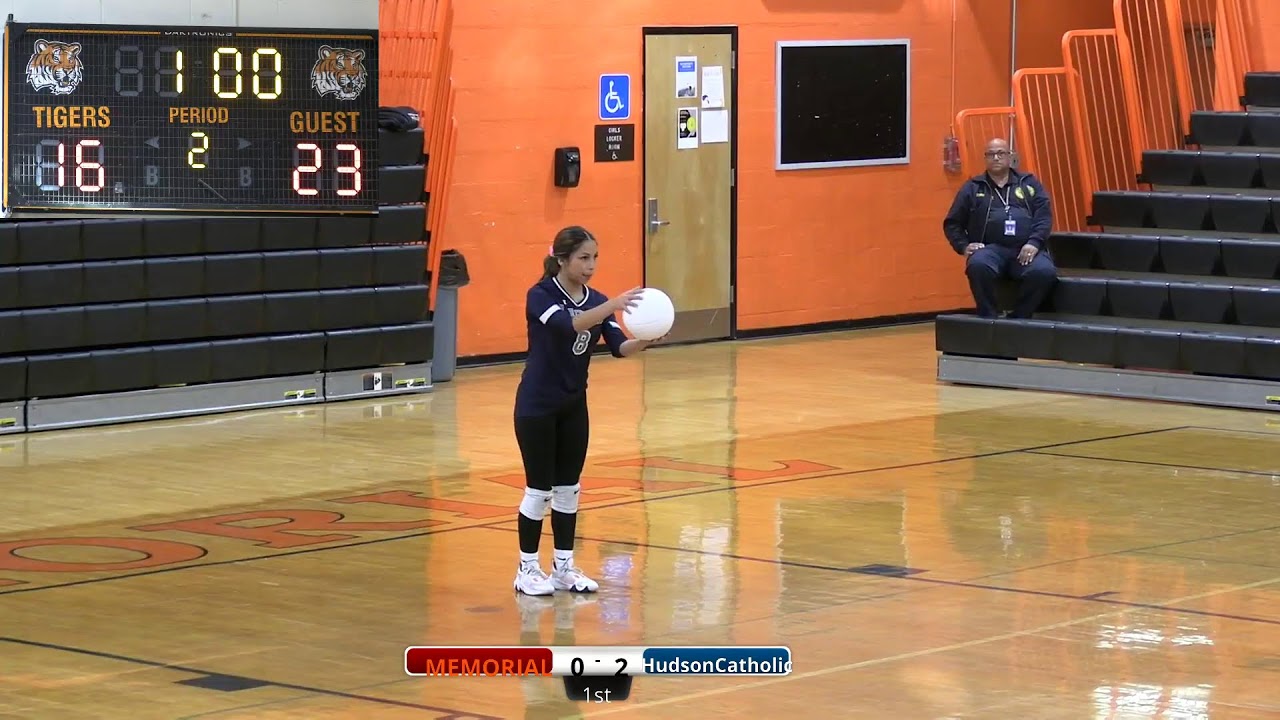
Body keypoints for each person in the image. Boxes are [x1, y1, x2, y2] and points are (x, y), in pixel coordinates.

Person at [512, 225, 659, 596]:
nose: (591, 266)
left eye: (595, 258)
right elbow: (568, 326)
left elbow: (618, 347)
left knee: (569, 490)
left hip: (573, 406)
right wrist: (612, 305)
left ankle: (563, 567)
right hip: (536, 407)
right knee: (538, 490)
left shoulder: (598, 298)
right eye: (583, 258)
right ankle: (527, 569)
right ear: (562, 259)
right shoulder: (541, 295)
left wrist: (647, 339)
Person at [943, 138, 1058, 318]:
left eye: (1000, 153)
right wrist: (964, 246)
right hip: (990, 249)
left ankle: (1020, 316)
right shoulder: (972, 188)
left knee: (1044, 271)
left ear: (1010, 156)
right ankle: (989, 316)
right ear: (985, 158)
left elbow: (1044, 216)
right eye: (990, 154)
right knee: (977, 265)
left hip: (1025, 249)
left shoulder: (1028, 184)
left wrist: (1034, 243)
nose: (995, 158)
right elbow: (952, 223)